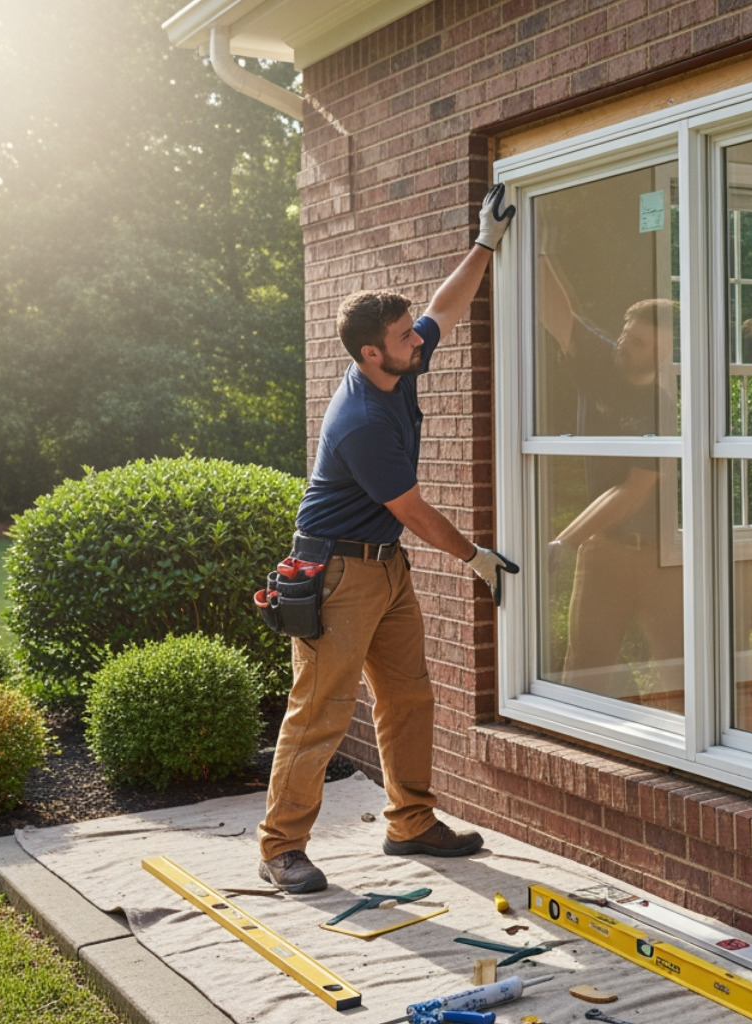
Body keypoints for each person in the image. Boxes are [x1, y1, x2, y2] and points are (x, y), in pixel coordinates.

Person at [256, 182, 521, 894]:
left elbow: (443, 310)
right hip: (337, 574)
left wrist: (484, 243)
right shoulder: (364, 421)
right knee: (320, 711)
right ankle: (281, 848)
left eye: (411, 335)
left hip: (385, 567)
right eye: (405, 339)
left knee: (408, 698)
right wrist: (476, 560)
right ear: (374, 355)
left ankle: (411, 824)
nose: (419, 341)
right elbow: (411, 508)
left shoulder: (394, 365)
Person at [536, 255, 683, 706]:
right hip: (605, 550)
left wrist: (564, 540)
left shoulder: (660, 410)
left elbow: (633, 491)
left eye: (638, 344)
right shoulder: (602, 362)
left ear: (661, 356)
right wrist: (535, 245)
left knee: (679, 673)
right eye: (626, 333)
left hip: (662, 556)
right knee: (585, 672)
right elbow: (557, 314)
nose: (624, 344)